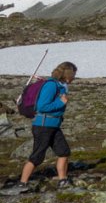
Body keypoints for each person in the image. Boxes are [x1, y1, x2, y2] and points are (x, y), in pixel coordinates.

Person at [5, 62, 77, 194]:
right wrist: (60, 102)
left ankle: (63, 180)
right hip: (43, 126)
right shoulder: (51, 86)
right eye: (74, 74)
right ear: (68, 74)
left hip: (53, 126)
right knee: (37, 156)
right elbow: (42, 107)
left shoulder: (59, 86)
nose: (74, 78)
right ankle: (22, 183)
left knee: (64, 152)